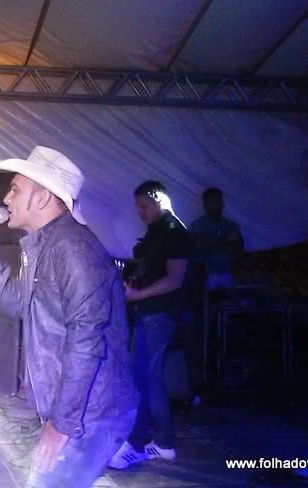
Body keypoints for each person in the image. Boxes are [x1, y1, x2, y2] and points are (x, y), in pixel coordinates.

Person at [0, 146, 138, 488]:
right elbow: (21, 305)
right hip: (80, 409)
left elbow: (86, 341)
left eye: (15, 189)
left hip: (90, 413)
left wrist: (62, 424)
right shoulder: (42, 245)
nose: (6, 198)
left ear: (42, 198)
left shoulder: (73, 249)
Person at [110, 180, 192, 469]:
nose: (140, 212)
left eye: (144, 206)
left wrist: (138, 295)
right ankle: (164, 444)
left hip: (159, 314)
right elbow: (151, 268)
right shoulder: (156, 232)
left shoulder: (174, 232)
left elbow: (175, 279)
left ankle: (135, 444)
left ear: (160, 200)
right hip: (148, 312)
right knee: (152, 379)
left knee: (139, 380)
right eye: (137, 207)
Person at [189, 188, 244, 289]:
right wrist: (224, 244)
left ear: (222, 204)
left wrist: (209, 244)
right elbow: (195, 249)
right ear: (204, 205)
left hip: (228, 273)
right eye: (210, 202)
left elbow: (238, 248)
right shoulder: (196, 226)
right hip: (205, 274)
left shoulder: (231, 226)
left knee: (228, 297)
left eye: (217, 201)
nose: (214, 205)